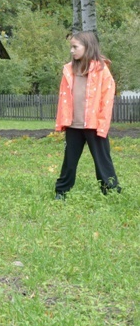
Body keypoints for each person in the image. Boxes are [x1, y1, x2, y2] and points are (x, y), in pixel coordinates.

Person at [54, 31, 121, 200]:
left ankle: (111, 192)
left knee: (102, 160)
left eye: (75, 47)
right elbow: (63, 98)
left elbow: (107, 101)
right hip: (73, 125)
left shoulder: (102, 71)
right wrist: (63, 121)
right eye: (71, 47)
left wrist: (102, 125)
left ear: (88, 47)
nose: (72, 50)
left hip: (95, 125)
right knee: (69, 162)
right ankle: (61, 192)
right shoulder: (68, 70)